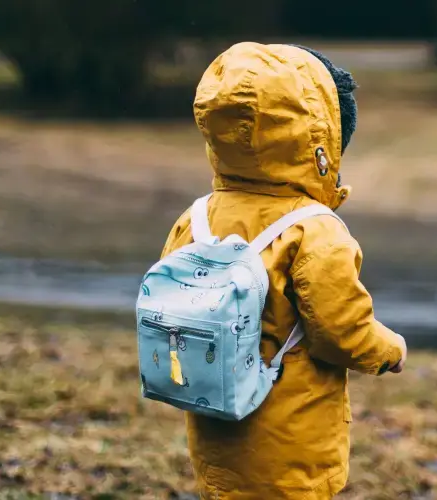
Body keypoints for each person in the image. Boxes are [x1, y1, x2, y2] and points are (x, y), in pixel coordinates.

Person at [160, 41, 408, 500]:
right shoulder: (314, 232)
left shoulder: (197, 217)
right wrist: (389, 349)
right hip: (291, 444)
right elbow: (340, 330)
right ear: (320, 142)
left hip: (215, 429)